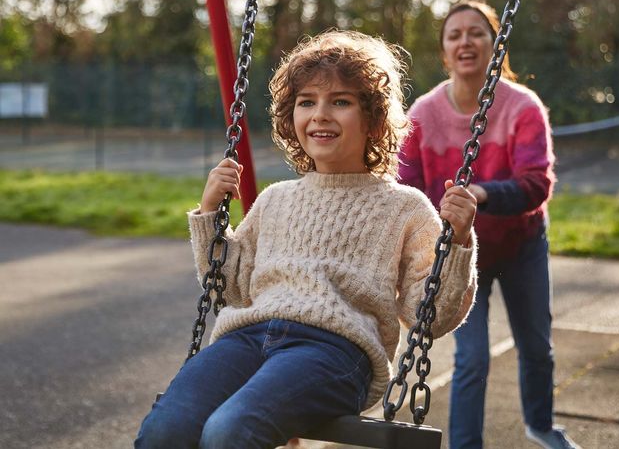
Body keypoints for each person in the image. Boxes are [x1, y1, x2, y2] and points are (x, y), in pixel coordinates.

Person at [135, 30, 478, 449]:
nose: (320, 114)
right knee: (164, 430)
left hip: (335, 352)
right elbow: (232, 287)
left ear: (372, 119)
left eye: (341, 101)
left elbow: (430, 316)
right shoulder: (275, 199)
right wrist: (210, 214)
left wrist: (458, 241)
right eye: (306, 102)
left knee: (229, 430)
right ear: (290, 116)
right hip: (247, 337)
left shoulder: (404, 208)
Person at [398, 0, 580, 449]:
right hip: (463, 255)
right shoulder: (422, 114)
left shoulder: (522, 107)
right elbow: (409, 189)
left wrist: (480, 193)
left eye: (476, 32)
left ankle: (541, 426)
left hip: (521, 244)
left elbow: (536, 184)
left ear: (495, 43)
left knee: (536, 345)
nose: (466, 41)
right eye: (454, 34)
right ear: (444, 51)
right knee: (472, 358)